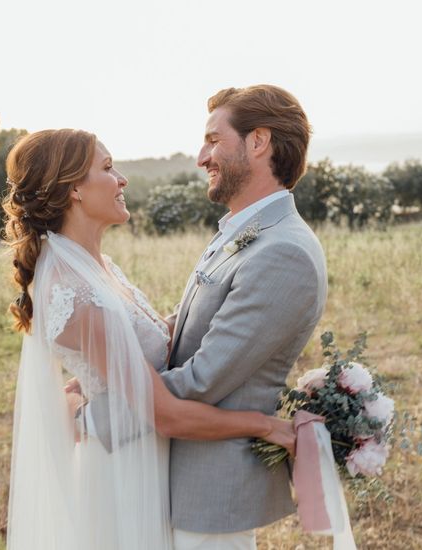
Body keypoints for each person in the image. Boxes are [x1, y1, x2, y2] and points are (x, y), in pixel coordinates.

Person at [2, 128, 297, 550]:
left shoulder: (99, 267)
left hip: (151, 461)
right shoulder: (76, 292)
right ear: (74, 191)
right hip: (123, 477)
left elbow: (154, 338)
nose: (121, 179)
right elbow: (165, 415)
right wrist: (268, 426)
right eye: (106, 168)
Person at [160, 85, 327, 550]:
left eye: (214, 139)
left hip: (210, 501)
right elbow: (177, 330)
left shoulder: (284, 253)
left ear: (258, 142)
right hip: (179, 485)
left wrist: (104, 403)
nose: (201, 156)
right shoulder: (246, 233)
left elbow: (201, 380)